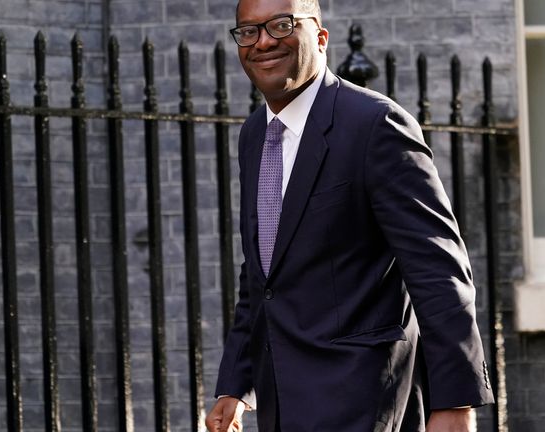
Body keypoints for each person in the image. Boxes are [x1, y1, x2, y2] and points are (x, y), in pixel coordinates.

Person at [206, 0, 494, 430]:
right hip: (280, 404)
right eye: (248, 32)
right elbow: (262, 275)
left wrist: (455, 404)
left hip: (364, 401)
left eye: (281, 25)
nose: (263, 41)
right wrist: (235, 384)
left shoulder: (376, 124)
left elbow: (438, 269)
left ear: (321, 37)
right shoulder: (254, 136)